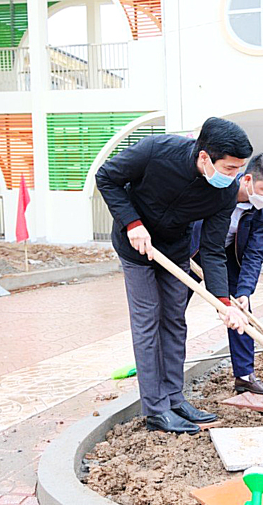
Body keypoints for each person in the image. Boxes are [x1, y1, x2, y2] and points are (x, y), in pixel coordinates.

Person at [96, 117, 251, 435]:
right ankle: (155, 410)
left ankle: (174, 398)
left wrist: (223, 302)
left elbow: (212, 250)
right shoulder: (156, 151)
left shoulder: (225, 193)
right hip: (135, 246)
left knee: (175, 322)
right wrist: (132, 223)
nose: (234, 177)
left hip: (175, 250)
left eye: (239, 168)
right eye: (229, 168)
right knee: (148, 321)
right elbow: (106, 177)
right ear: (205, 156)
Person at [188, 152, 263, 395]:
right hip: (192, 252)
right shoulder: (219, 188)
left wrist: (244, 290)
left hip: (225, 258)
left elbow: (254, 253)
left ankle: (244, 376)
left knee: (242, 314)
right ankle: (164, 378)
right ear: (248, 179)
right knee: (172, 310)